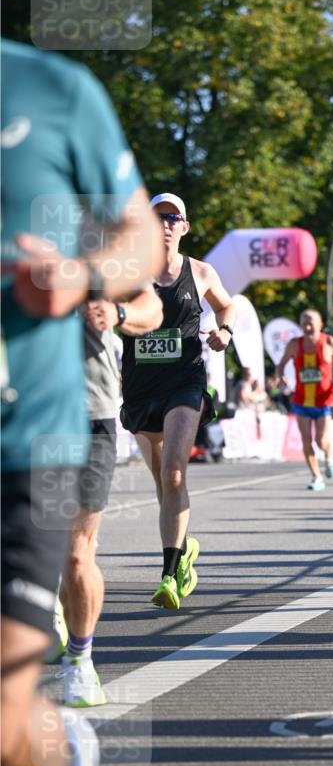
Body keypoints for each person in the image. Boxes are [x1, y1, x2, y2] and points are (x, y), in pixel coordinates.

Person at [1, 40, 163, 766]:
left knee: (6, 721)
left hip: (34, 446)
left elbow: (143, 245)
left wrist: (79, 277)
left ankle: (61, 748)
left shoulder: (52, 89)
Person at [120, 193, 236, 610]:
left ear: (184, 227)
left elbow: (228, 306)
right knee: (162, 483)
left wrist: (226, 332)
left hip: (185, 383)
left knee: (173, 473)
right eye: (158, 218)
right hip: (139, 388)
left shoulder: (201, 272)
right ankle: (184, 548)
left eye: (174, 217)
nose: (166, 223)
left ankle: (169, 574)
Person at [57, 288, 163, 707]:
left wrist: (119, 311)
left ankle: (80, 660)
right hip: (21, 415)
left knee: (77, 553)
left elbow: (151, 308)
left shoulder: (99, 248)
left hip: (86, 416)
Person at [275, 309, 333, 490]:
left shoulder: (329, 342)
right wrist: (281, 378)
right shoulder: (294, 344)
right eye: (304, 324)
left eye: (311, 323)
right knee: (306, 440)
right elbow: (281, 365)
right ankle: (316, 477)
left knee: (320, 440)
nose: (307, 327)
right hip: (301, 400)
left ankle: (329, 457)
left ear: (320, 324)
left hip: (324, 400)